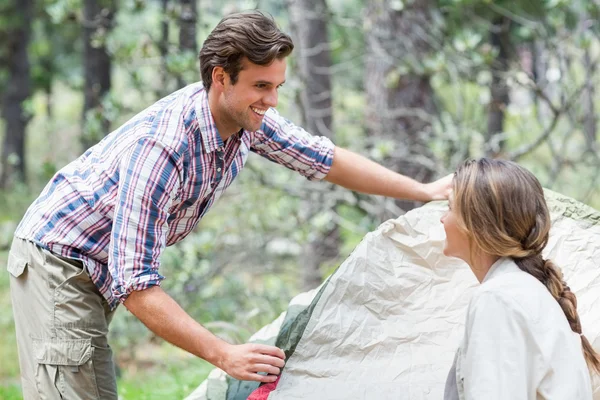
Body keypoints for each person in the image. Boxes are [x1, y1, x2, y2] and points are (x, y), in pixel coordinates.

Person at [7, 10, 451, 400]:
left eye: (277, 86)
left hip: (99, 266)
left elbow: (324, 158)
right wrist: (224, 355)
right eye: (261, 86)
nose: (272, 101)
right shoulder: (162, 151)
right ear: (221, 77)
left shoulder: (247, 118)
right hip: (59, 262)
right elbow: (138, 287)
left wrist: (423, 190)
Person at [441, 158, 599, 399]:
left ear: (475, 223)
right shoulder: (523, 292)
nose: (443, 219)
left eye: (450, 207)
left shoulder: (498, 299)